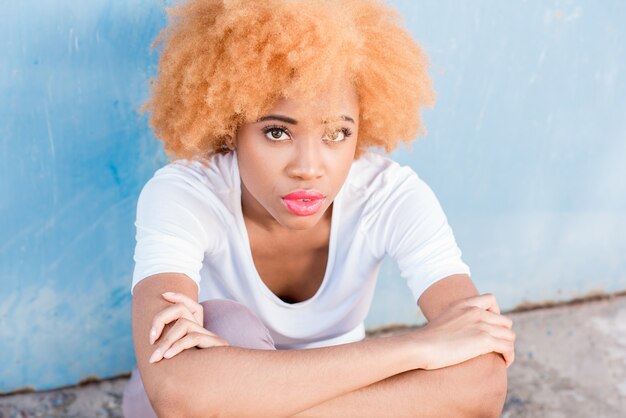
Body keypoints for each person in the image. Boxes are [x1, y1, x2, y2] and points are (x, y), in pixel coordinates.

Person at [122, 0, 516, 416]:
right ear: (230, 126)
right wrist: (419, 347)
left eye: (337, 133)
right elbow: (177, 391)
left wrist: (241, 394)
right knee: (227, 324)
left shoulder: (389, 196)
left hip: (233, 398)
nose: (309, 169)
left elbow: (484, 380)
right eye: (276, 132)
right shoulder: (185, 195)